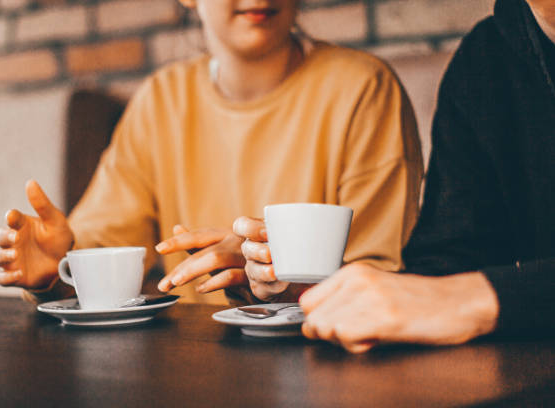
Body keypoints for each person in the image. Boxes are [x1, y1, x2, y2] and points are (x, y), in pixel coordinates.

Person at [0, 0, 423, 305]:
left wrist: (266, 274)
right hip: (186, 370)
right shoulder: (161, 100)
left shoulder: (364, 88)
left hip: (325, 367)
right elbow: (98, 252)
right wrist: (53, 272)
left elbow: (382, 280)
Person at [236, 0, 555, 352]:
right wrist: (322, 289)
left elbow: (455, 295)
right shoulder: (484, 58)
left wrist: (478, 299)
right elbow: (447, 266)